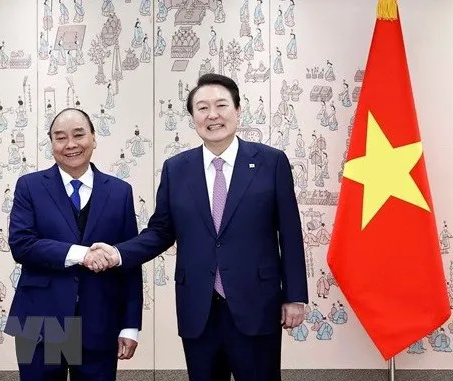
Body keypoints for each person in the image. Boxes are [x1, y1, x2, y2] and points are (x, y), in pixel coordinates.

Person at [87, 74, 308, 381]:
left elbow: (290, 232)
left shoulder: (271, 162)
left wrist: (296, 296)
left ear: (238, 110)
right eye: (202, 108)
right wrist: (117, 253)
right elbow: (161, 231)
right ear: (193, 118)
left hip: (257, 303)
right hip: (199, 310)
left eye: (221, 105)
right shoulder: (177, 168)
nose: (212, 115)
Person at [4, 108, 143, 381]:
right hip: (42, 321)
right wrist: (82, 254)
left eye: (79, 135)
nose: (70, 144)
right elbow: (22, 244)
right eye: (60, 138)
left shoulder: (119, 191)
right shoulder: (30, 186)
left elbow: (129, 261)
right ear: (51, 143)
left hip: (100, 319)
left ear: (93, 138)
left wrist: (129, 326)